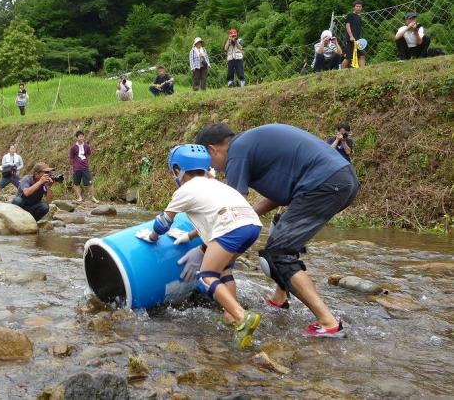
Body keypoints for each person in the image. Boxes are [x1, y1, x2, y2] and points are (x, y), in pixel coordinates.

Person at [196, 123, 360, 338]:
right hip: (339, 180)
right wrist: (250, 217)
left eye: (211, 164)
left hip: (325, 183)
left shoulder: (237, 152)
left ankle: (328, 322)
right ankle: (281, 297)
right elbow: (273, 198)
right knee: (280, 228)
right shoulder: (250, 145)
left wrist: (208, 246)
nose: (216, 170)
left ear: (213, 149)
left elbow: (232, 208)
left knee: (277, 254)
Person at [136, 144, 263, 350]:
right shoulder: (216, 184)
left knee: (206, 276)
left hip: (229, 227)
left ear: (178, 169)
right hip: (251, 225)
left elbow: (163, 223)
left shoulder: (186, 190)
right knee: (224, 269)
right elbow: (212, 215)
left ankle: (242, 317)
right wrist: (189, 235)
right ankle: (230, 316)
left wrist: (152, 236)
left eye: (174, 172)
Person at [70, 130, 99, 203]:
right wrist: (74, 166)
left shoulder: (86, 146)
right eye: (80, 137)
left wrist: (85, 162)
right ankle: (79, 197)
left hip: (85, 167)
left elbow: (88, 155)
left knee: (89, 183)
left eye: (82, 136)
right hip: (77, 168)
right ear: (77, 138)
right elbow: (71, 158)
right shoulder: (73, 147)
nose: (81, 138)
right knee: (76, 183)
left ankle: (93, 197)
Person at [342, 0, 366, 69]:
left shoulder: (359, 17)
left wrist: (358, 39)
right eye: (357, 6)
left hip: (357, 40)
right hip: (350, 40)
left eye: (360, 6)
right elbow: (347, 25)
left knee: (362, 54)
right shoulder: (350, 15)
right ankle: (341, 71)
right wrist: (351, 37)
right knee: (348, 57)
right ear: (353, 7)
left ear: (361, 8)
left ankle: (362, 70)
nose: (358, 8)